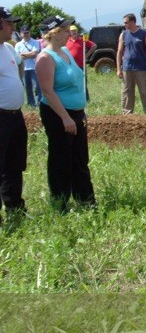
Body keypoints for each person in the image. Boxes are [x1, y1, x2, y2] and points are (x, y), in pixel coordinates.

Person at [35, 15, 96, 213]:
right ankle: (60, 203)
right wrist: (65, 117)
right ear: (54, 33)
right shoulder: (45, 58)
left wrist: (79, 112)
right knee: (61, 160)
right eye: (64, 28)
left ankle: (86, 201)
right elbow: (47, 91)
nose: (68, 31)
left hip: (75, 113)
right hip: (58, 114)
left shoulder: (66, 52)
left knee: (80, 158)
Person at [0, 7, 28, 218]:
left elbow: (20, 64)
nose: (13, 27)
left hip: (15, 116)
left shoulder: (8, 49)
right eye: (9, 23)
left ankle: (15, 207)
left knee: (14, 165)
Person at [116, 13, 146, 115]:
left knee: (144, 91)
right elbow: (119, 52)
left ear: (133, 22)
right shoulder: (123, 34)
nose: (124, 24)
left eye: (126, 22)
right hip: (127, 68)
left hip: (141, 68)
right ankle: (127, 113)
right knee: (127, 92)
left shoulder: (143, 34)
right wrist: (118, 69)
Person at [65, 25, 96, 101]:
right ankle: (74, 98)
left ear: (77, 31)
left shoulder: (83, 40)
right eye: (72, 31)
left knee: (83, 83)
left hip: (81, 65)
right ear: (70, 32)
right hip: (70, 66)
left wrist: (86, 55)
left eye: (75, 31)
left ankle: (86, 99)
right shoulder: (66, 41)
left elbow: (94, 46)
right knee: (72, 82)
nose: (73, 33)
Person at [15, 25, 41, 106]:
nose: (26, 34)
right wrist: (29, 54)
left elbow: (34, 54)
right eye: (24, 33)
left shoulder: (35, 42)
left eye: (27, 32)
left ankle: (39, 102)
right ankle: (31, 103)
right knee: (27, 88)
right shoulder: (18, 44)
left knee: (37, 87)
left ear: (30, 32)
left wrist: (23, 54)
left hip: (33, 68)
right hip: (23, 69)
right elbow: (18, 57)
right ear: (20, 34)